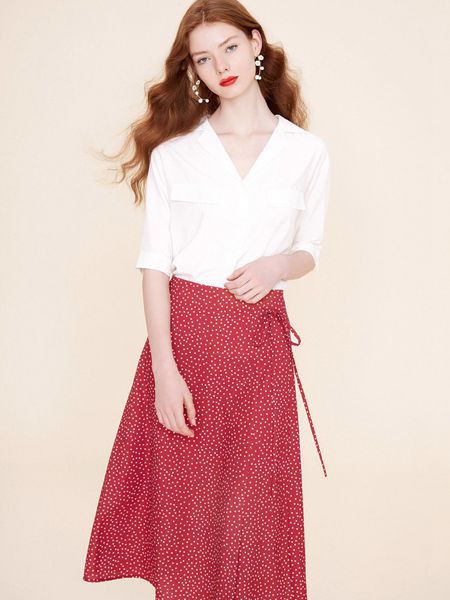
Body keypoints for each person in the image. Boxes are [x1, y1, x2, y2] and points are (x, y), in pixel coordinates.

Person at [82, 1, 331, 598]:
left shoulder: (306, 152)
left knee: (255, 514)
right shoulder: (177, 153)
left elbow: (309, 249)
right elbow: (154, 268)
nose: (221, 66)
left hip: (260, 347)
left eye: (229, 48)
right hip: (187, 345)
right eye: (202, 58)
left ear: (255, 43)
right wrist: (164, 373)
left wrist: (277, 265)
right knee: (187, 514)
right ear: (191, 70)